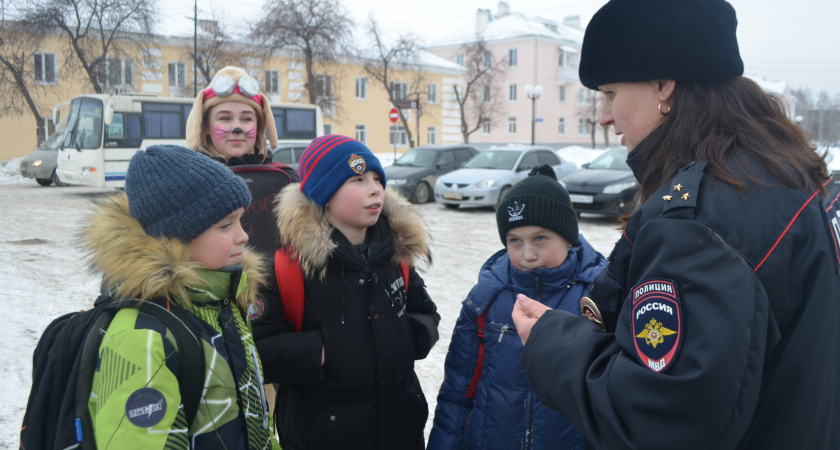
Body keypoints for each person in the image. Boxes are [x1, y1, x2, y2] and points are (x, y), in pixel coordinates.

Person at [511, 0, 840, 448]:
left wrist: (551, 342)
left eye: (610, 93)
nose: (604, 116)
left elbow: (658, 417)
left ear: (663, 84)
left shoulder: (699, 222)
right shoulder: (784, 176)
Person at [80, 144, 279, 449]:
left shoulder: (222, 302)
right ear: (174, 238)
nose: (243, 235)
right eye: (226, 225)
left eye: (240, 220)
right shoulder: (142, 338)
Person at [251, 135, 441, 450]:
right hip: (325, 435)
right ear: (324, 194)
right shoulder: (289, 269)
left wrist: (405, 338)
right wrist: (324, 351)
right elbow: (259, 351)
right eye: (357, 179)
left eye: (377, 179)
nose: (374, 188)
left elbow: (426, 314)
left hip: (400, 430)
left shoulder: (395, 255)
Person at [428, 165, 606, 450]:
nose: (528, 255)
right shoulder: (486, 298)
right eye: (515, 241)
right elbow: (457, 392)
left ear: (568, 236)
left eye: (540, 238)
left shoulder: (598, 297)